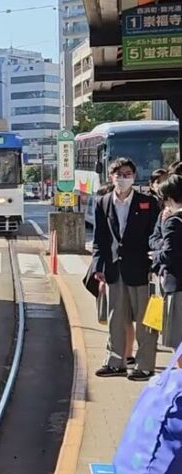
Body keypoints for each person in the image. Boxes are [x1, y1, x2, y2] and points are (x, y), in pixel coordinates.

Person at [89, 157, 162, 381]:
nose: (123, 178)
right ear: (111, 177)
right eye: (118, 174)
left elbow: (154, 235)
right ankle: (115, 361)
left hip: (141, 268)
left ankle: (145, 365)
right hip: (113, 267)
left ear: (134, 176)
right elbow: (99, 238)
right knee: (116, 317)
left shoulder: (147, 202)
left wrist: (153, 263)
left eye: (127, 174)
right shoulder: (102, 202)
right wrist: (98, 265)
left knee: (144, 318)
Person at [154, 174, 182, 351]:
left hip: (177, 284)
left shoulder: (173, 221)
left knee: (177, 340)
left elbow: (169, 253)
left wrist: (155, 256)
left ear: (170, 198)